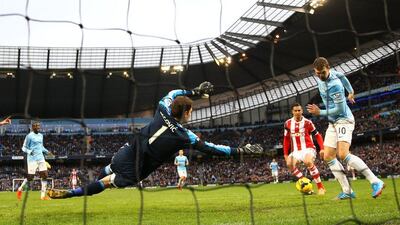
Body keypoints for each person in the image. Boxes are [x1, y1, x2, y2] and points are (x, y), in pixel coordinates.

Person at [47, 82, 263, 199]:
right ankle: (70, 194)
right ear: (187, 112)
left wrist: (194, 91)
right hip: (140, 167)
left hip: (130, 149)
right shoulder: (184, 135)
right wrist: (241, 150)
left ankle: (77, 188)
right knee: (106, 183)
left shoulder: (163, 108)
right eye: (192, 109)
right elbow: (212, 149)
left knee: (109, 169)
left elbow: (173, 91)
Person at [306, 57, 384, 199]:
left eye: (322, 73)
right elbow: (342, 75)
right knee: (328, 156)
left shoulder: (335, 85)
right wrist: (351, 91)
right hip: (333, 122)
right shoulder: (327, 76)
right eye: (317, 73)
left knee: (343, 154)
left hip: (343, 119)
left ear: (328, 68)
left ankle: (376, 181)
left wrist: (320, 112)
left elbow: (340, 109)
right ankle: (347, 191)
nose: (320, 76)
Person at [283, 103, 326, 195]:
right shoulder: (288, 123)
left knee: (308, 162)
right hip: (295, 151)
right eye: (295, 111)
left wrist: (322, 148)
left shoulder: (308, 122)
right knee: (289, 163)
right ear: (292, 112)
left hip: (308, 148)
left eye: (299, 110)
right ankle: (304, 181)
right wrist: (285, 154)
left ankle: (320, 187)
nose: (297, 112)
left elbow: (317, 135)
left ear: (302, 111)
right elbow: (286, 139)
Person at [17, 121, 53, 200]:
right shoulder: (29, 136)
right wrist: (30, 151)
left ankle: (43, 196)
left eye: (39, 126)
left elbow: (41, 147)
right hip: (32, 159)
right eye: (36, 126)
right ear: (33, 127)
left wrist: (47, 152)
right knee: (30, 178)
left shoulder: (41, 135)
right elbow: (24, 147)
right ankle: (20, 189)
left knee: (45, 175)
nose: (38, 127)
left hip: (41, 158)